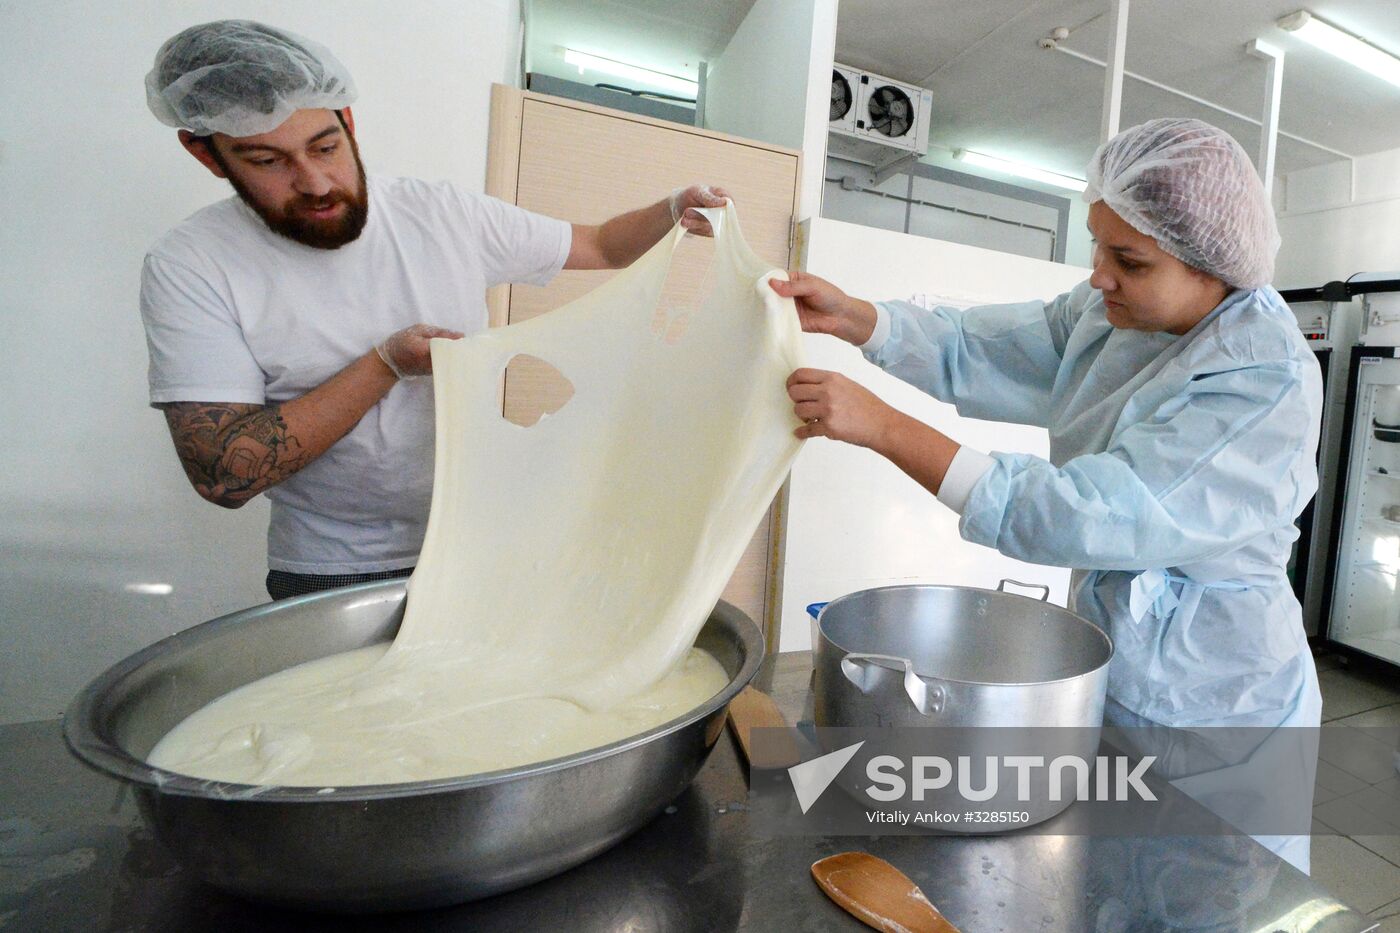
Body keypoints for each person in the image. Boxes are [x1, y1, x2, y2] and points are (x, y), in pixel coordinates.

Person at [772, 118, 1322, 872]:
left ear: (1211, 267)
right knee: (1108, 879)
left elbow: (1089, 513)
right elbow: (983, 345)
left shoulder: (1264, 382)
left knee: (1216, 895)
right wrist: (861, 320)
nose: (1099, 275)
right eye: (1096, 245)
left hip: (1220, 711)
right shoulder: (1114, 314)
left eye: (1127, 259)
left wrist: (886, 429)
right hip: (1115, 670)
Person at [140, 20, 728, 600]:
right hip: (333, 570)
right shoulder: (193, 264)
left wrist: (671, 211)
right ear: (207, 156)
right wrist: (385, 365)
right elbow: (222, 474)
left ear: (349, 121)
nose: (316, 182)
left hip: (480, 541)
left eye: (325, 147)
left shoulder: (439, 214)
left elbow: (599, 244)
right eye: (268, 161)